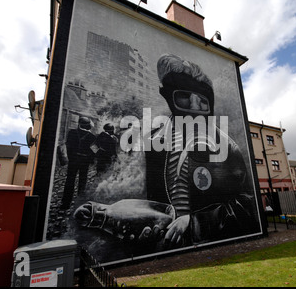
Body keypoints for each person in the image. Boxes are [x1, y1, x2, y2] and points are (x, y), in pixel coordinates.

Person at [74, 54, 259, 248]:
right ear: (169, 97)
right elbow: (154, 203)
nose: (195, 106)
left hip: (206, 245)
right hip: (165, 245)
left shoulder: (226, 146)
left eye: (203, 100)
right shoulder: (154, 140)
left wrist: (196, 223)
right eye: (184, 97)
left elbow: (247, 206)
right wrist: (106, 212)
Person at [60, 116, 96, 210]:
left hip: (73, 160)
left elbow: (68, 146)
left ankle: (65, 204)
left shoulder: (72, 133)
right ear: (88, 126)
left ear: (79, 124)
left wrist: (71, 157)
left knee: (69, 181)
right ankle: (79, 203)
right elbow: (94, 151)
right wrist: (90, 159)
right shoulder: (92, 137)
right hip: (85, 161)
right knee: (82, 182)